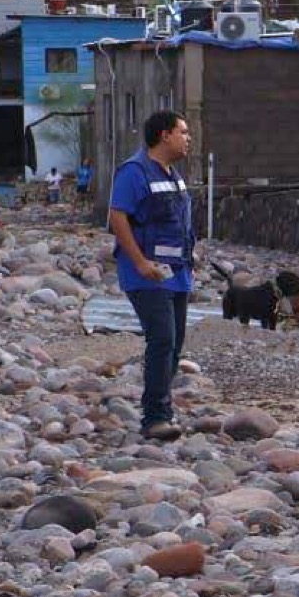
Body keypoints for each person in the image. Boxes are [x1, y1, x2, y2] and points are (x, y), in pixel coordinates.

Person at [108, 111, 196, 441]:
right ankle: (154, 417)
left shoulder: (173, 175)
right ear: (164, 135)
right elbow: (118, 218)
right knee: (161, 340)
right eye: (183, 132)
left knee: (173, 345)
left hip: (177, 275)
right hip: (147, 276)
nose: (188, 138)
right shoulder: (134, 172)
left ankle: (163, 410)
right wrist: (141, 262)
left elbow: (178, 222)